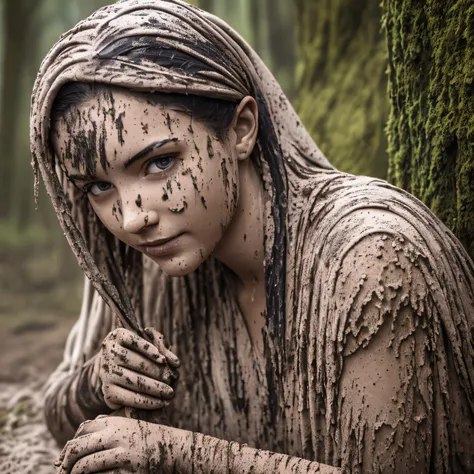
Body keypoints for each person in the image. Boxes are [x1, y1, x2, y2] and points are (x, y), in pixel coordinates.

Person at [30, 0, 474, 472]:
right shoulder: (152, 266)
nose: (131, 217)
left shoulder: (374, 260)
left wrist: (178, 452)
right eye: (100, 186)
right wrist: (97, 383)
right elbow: (61, 418)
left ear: (241, 128)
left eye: (159, 163)